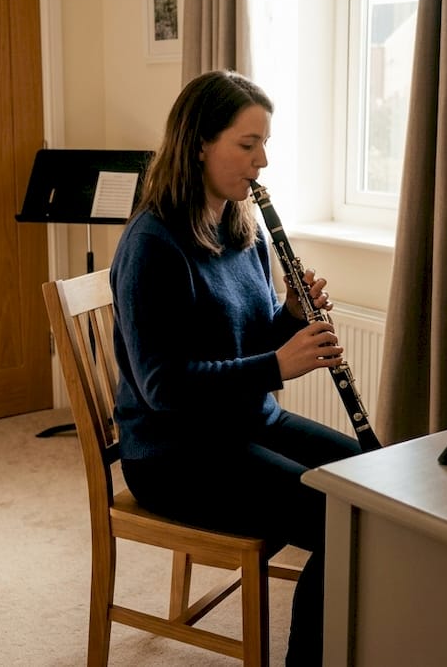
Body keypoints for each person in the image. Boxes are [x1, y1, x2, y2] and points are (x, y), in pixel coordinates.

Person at [109, 69, 362, 665]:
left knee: (373, 483)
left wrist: (289, 317)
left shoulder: (242, 228)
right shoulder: (152, 245)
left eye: (264, 144)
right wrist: (278, 363)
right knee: (336, 520)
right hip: (175, 453)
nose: (262, 160)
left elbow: (242, 338)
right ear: (199, 142)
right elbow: (165, 389)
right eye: (248, 145)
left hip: (246, 422)